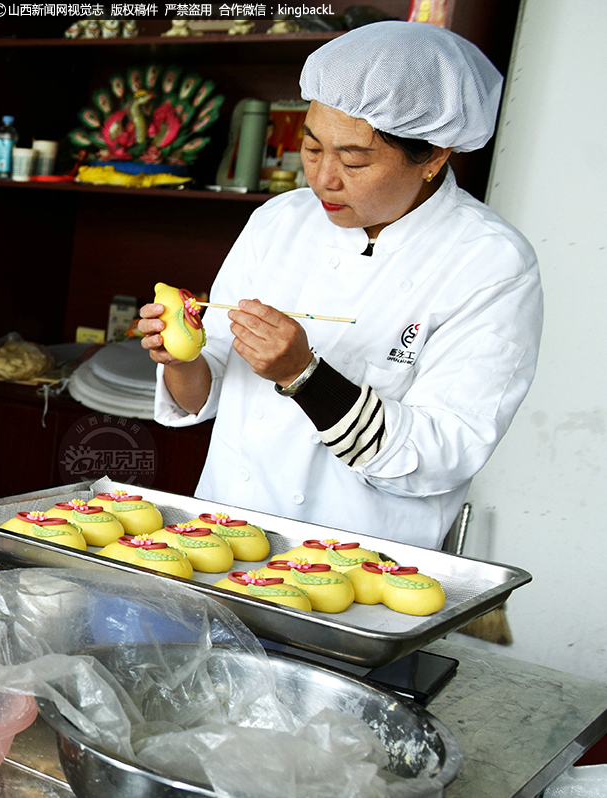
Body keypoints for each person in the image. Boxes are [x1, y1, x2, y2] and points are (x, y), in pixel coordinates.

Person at [139, 21, 543, 550]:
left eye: (354, 159)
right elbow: (205, 393)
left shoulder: (490, 263)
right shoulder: (279, 220)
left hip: (355, 566)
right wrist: (181, 356)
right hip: (219, 539)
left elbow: (441, 453)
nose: (324, 178)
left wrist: (304, 376)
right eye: (311, 148)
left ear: (435, 157)